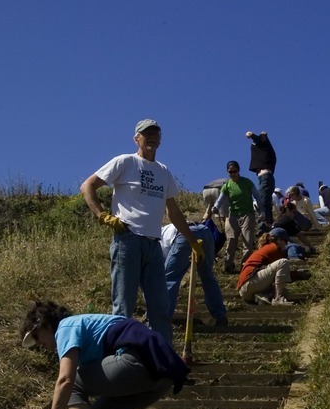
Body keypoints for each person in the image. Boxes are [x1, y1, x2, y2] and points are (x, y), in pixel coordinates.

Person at [21, 300, 189, 409]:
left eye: (37, 337)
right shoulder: (88, 326)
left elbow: (66, 381)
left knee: (72, 385)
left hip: (137, 361)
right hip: (162, 374)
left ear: (45, 324)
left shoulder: (65, 327)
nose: (40, 345)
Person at [80, 119, 204, 345]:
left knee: (160, 307)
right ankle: (119, 357)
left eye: (156, 133)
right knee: (123, 306)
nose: (152, 137)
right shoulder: (125, 162)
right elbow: (87, 186)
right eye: (147, 134)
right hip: (127, 240)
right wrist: (102, 215)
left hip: (153, 245)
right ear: (136, 138)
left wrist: (192, 241)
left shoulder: (163, 171)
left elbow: (174, 212)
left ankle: (162, 360)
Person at [161, 219, 228, 326]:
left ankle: (161, 318)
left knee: (169, 279)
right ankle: (220, 315)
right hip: (204, 230)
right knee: (207, 276)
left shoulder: (158, 243)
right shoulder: (164, 231)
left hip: (184, 235)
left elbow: (167, 270)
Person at [214, 161, 259, 274]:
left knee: (247, 240)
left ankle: (246, 265)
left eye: (234, 171)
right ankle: (228, 264)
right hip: (232, 215)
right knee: (231, 240)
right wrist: (215, 207)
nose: (232, 173)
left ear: (238, 171)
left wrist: (262, 210)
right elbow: (220, 199)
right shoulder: (227, 185)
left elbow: (257, 196)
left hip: (247, 214)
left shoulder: (247, 182)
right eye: (230, 172)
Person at [236, 228, 294, 306]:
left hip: (245, 289)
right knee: (283, 262)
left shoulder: (266, 247)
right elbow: (283, 272)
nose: (285, 244)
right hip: (250, 281)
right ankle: (277, 298)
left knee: (284, 291)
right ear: (280, 240)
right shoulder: (274, 248)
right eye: (285, 241)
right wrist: (298, 275)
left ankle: (262, 295)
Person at [245, 130, 277, 224]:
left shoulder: (264, 144)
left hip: (265, 177)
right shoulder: (267, 151)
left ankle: (264, 224)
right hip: (265, 177)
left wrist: (251, 134)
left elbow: (261, 140)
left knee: (262, 201)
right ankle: (268, 223)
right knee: (266, 202)